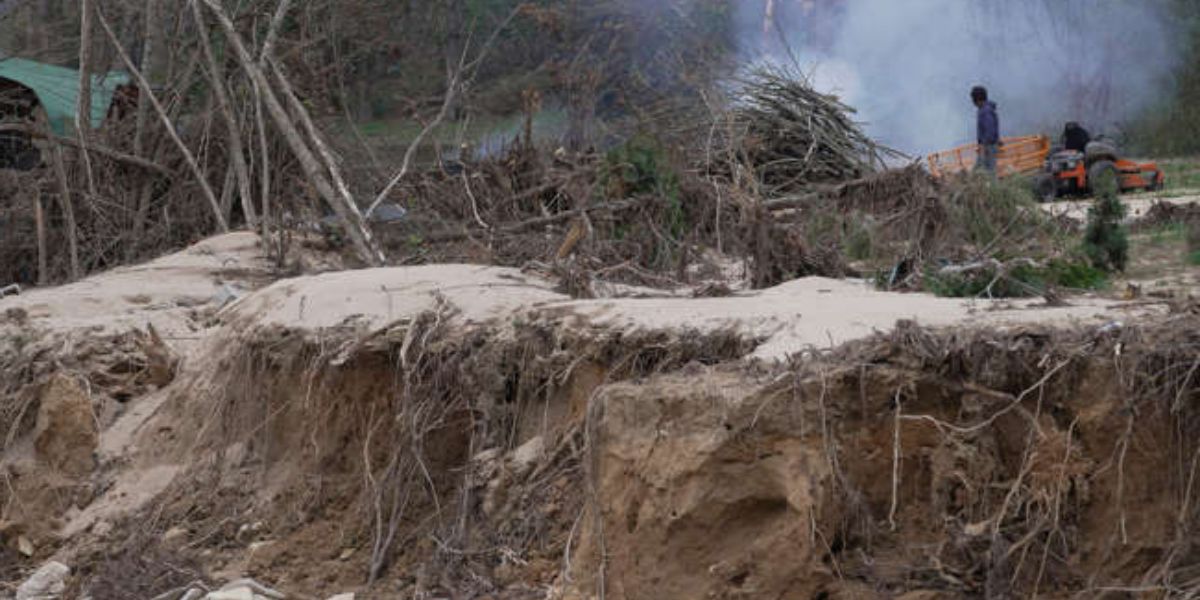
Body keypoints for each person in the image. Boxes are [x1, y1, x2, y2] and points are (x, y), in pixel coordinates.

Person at [971, 86, 1000, 173]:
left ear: (977, 100)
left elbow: (990, 129)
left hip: (988, 146)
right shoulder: (985, 109)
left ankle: (993, 186)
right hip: (987, 145)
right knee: (982, 169)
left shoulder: (985, 111)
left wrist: (983, 144)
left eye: (973, 99)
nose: (972, 102)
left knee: (988, 171)